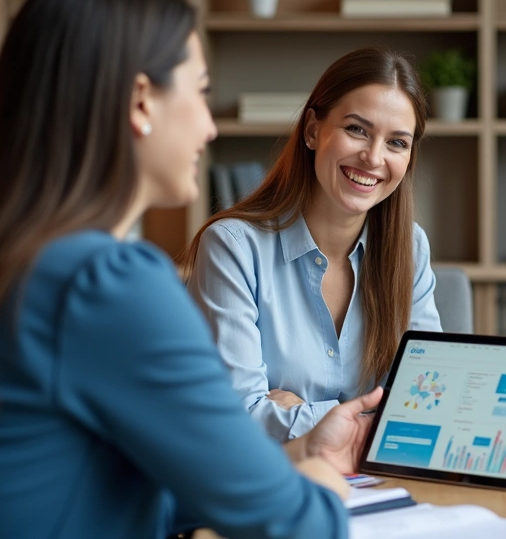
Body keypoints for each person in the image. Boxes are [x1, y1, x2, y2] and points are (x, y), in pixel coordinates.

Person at [0, 0, 378, 539]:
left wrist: (287, 457)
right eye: (201, 93)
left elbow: (79, 490)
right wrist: (320, 487)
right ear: (141, 101)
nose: (209, 126)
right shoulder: (103, 283)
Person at [182, 47, 442, 442]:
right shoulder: (233, 247)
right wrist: (374, 417)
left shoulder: (410, 248)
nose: (373, 157)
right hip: (272, 485)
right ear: (312, 130)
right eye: (357, 129)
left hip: (383, 485)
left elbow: (428, 405)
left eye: (397, 143)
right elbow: (235, 420)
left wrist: (302, 415)